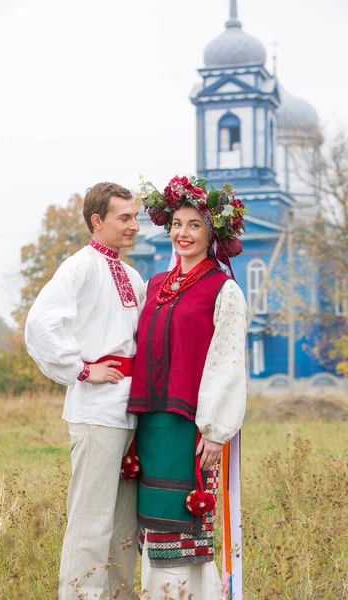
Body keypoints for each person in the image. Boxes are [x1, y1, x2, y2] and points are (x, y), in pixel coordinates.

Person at [128, 175, 248, 599]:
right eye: (177, 224)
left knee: (186, 524)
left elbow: (227, 363)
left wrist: (217, 432)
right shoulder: (155, 286)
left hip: (192, 426)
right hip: (151, 423)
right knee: (153, 523)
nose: (183, 233)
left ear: (212, 233)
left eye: (194, 225)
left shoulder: (223, 289)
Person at [25, 182, 145, 600]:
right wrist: (80, 369)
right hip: (96, 410)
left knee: (126, 524)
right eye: (124, 217)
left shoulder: (131, 275)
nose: (135, 225)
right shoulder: (78, 268)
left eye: (135, 216)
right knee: (91, 519)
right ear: (97, 221)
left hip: (132, 409)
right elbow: (41, 324)